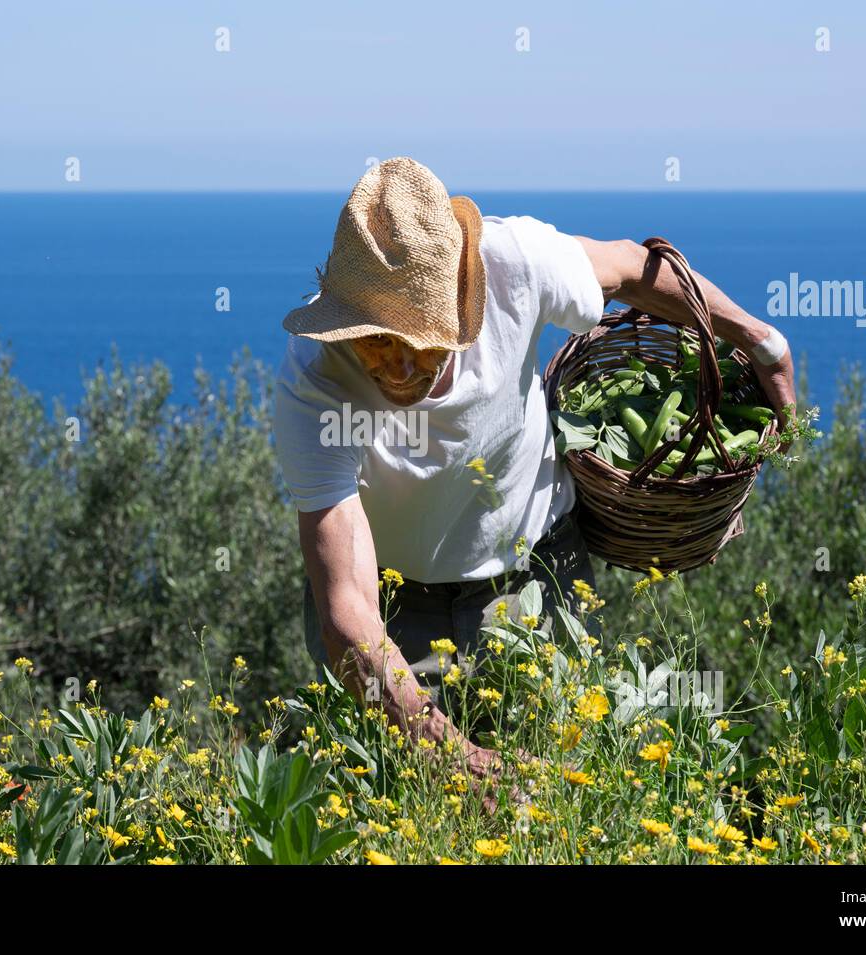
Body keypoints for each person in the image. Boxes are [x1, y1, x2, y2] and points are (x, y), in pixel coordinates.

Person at [271, 157, 795, 790]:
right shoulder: (313, 378)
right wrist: (454, 759)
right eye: (378, 343)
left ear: (463, 300)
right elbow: (348, 608)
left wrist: (758, 339)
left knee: (560, 795)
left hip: (538, 579)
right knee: (410, 801)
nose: (402, 370)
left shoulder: (515, 262)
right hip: (395, 606)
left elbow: (632, 267)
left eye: (426, 343)